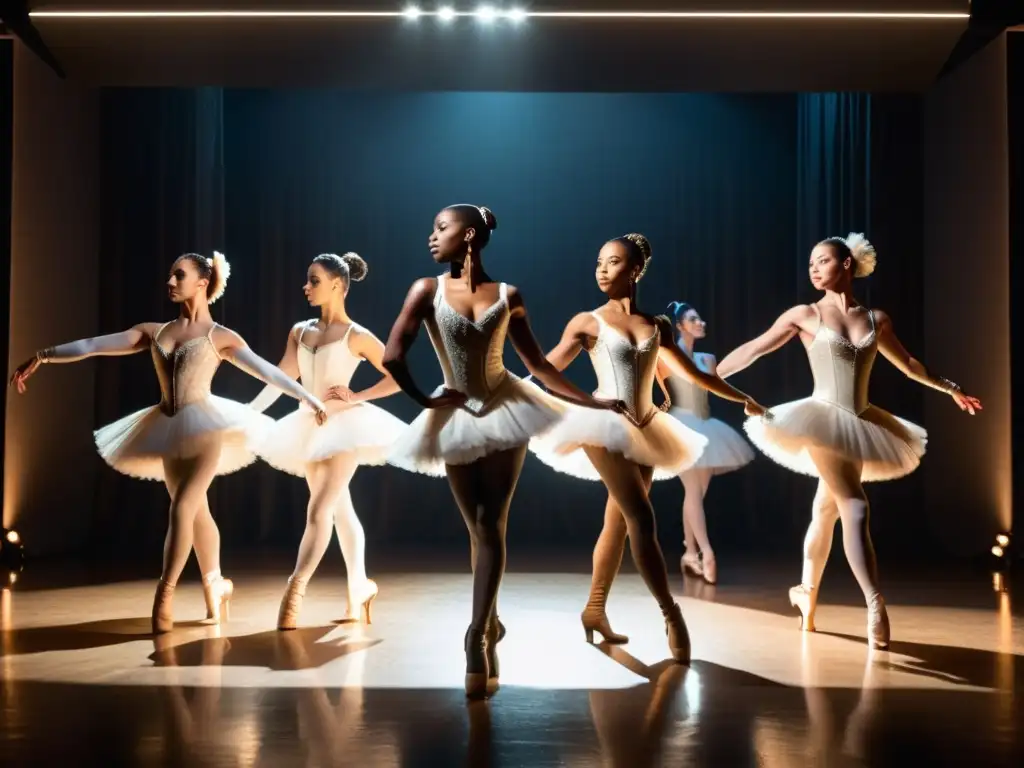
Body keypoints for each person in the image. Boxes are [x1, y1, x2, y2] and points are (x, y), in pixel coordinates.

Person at [9, 251, 328, 633]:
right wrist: (43, 356)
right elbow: (94, 344)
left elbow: (267, 371)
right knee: (196, 512)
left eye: (179, 275)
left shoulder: (219, 337)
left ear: (202, 282)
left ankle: (165, 596)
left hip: (206, 427)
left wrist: (307, 397)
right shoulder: (154, 331)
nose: (171, 282)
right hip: (166, 425)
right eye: (170, 276)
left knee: (182, 506)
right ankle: (216, 585)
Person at [382, 204, 622, 697]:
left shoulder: (501, 295)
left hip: (504, 407)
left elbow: (539, 365)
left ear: (468, 236)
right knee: (483, 530)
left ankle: (475, 638)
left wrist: (592, 400)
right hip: (461, 415)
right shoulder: (430, 290)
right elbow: (392, 357)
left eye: (441, 229)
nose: (431, 237)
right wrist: (427, 401)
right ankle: (487, 627)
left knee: (488, 528)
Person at [716, 233, 982, 648]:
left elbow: (909, 365)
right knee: (855, 506)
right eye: (810, 264)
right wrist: (711, 379)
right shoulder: (804, 314)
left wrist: (950, 388)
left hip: (862, 422)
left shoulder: (876, 319)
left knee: (826, 511)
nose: (814, 269)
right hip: (821, 420)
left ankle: (806, 594)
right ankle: (875, 603)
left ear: (846, 264)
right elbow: (754, 349)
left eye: (822, 261)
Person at [530, 234, 766, 656]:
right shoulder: (587, 322)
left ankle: (594, 609)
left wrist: (742, 397)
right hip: (602, 425)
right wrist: (586, 400)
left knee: (618, 523)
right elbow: (545, 370)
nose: (602, 268)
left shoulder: (656, 325)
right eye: (599, 261)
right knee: (642, 518)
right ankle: (671, 614)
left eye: (614, 261)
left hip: (648, 426)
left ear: (636, 270)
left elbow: (698, 377)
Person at [249, 253, 407, 630]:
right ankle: (360, 587)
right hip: (308, 426)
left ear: (337, 284)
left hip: (345, 428)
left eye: (313, 280)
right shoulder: (300, 331)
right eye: (308, 280)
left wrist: (357, 395)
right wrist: (250, 412)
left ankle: (295, 592)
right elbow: (280, 377)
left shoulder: (357, 335)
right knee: (338, 509)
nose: (306, 287)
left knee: (319, 509)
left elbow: (398, 376)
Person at [655, 301, 755, 584]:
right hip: (681, 426)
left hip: (707, 428)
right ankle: (707, 553)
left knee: (696, 495)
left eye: (700, 318)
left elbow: (716, 388)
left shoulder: (707, 359)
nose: (701, 323)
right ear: (679, 326)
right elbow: (663, 393)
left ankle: (689, 553)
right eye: (693, 319)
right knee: (693, 492)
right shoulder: (663, 357)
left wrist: (744, 399)